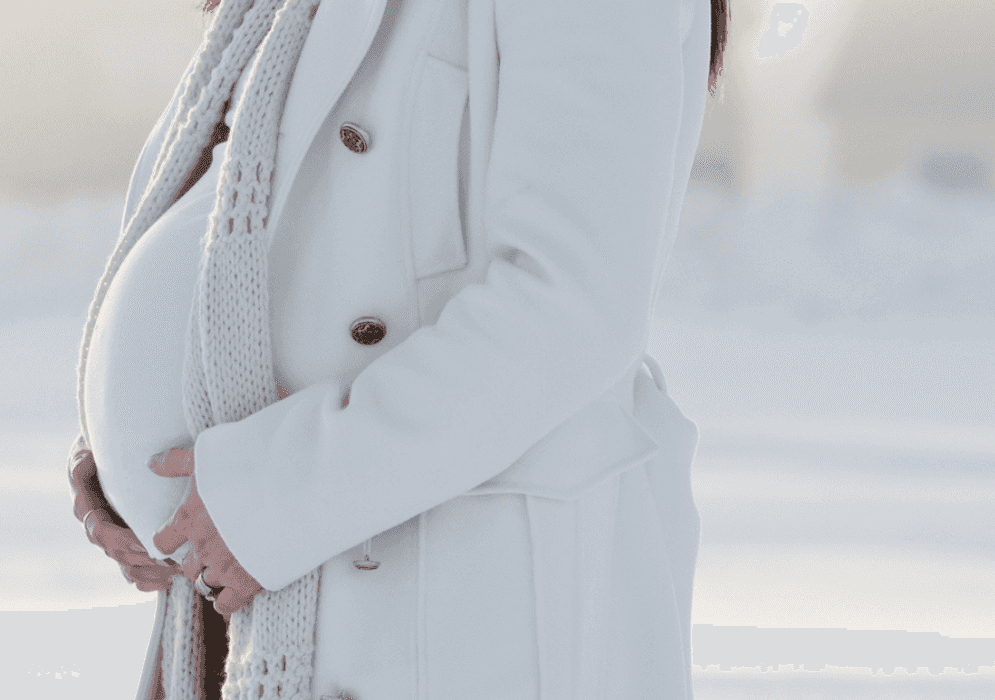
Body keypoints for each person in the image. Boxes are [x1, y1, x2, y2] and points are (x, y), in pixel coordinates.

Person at [69, 0, 730, 697]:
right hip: (239, 590)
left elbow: (570, 301)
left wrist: (272, 502)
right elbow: (226, 190)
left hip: (425, 584)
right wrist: (122, 465)